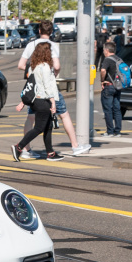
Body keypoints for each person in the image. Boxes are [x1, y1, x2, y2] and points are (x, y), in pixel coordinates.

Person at [16, 20, 81, 157]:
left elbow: (21, 65)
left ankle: (27, 150)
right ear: (51, 32)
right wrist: (52, 74)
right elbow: (56, 66)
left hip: (34, 90)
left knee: (31, 118)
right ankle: (75, 146)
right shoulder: (52, 46)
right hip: (47, 87)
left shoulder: (30, 45)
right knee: (63, 114)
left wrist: (33, 71)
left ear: (39, 31)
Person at [11, 41, 61, 161]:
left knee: (48, 127)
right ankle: (19, 147)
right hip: (43, 101)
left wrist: (23, 102)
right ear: (46, 53)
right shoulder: (45, 67)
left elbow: (30, 85)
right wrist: (53, 103)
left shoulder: (34, 67)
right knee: (39, 128)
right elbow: (47, 86)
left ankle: (50, 153)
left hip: (36, 101)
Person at [98, 41, 123, 137]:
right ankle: (118, 131)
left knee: (108, 109)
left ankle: (110, 131)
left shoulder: (107, 60)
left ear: (107, 50)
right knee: (117, 109)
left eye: (104, 50)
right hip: (118, 86)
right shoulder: (119, 59)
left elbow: (103, 70)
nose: (103, 51)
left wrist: (102, 80)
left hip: (109, 86)